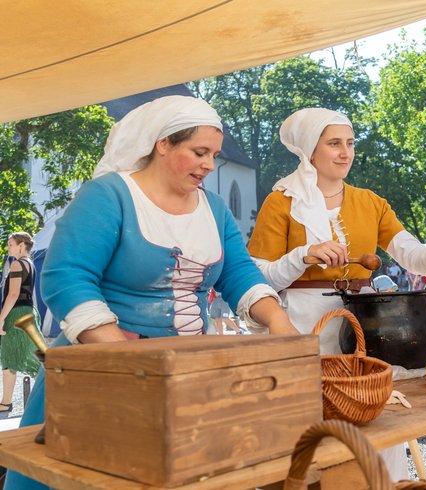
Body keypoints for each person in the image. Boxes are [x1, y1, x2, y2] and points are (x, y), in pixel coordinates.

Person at [5, 95, 298, 490]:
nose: (209, 165)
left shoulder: (213, 208)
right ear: (163, 144)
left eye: (213, 154)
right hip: (100, 371)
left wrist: (280, 324)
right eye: (199, 152)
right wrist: (124, 357)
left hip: (187, 376)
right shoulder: (109, 195)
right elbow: (67, 276)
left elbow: (239, 272)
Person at [247, 108, 426, 480]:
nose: (345, 152)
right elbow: (259, 278)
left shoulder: (371, 202)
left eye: (349, 143)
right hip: (302, 328)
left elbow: (415, 258)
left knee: (375, 424)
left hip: (365, 326)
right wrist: (302, 255)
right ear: (309, 150)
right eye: (334, 143)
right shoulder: (281, 202)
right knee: (312, 433)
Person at [0, 232, 43, 416]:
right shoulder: (30, 264)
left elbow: (13, 294)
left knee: (11, 357)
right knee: (32, 355)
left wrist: (1, 317)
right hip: (28, 312)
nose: (8, 247)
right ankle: (6, 402)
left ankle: (6, 403)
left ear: (21, 245)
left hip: (17, 314)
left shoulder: (17, 264)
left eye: (10, 244)